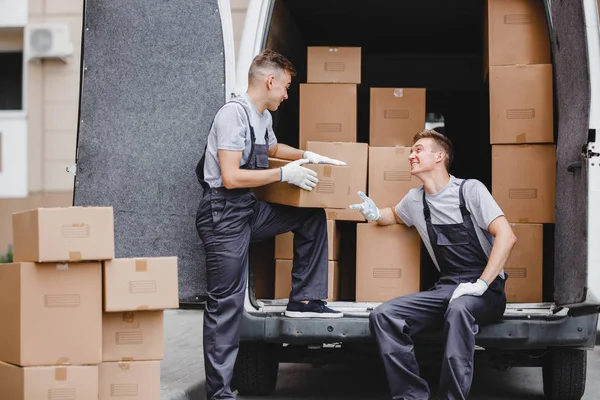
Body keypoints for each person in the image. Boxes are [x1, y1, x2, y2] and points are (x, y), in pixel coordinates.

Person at [195, 49, 344, 400]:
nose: (287, 95)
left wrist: (308, 155)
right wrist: (283, 174)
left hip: (247, 209)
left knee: (311, 216)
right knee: (226, 304)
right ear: (270, 80)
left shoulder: (261, 117)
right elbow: (230, 177)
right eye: (286, 87)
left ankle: (304, 299)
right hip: (223, 214)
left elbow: (274, 147)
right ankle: (219, 393)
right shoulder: (233, 115)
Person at [350, 129, 517, 400]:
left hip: (485, 289)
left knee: (459, 310)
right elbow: (393, 215)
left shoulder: (470, 190)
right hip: (448, 286)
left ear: (440, 157)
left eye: (418, 150)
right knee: (383, 315)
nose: (410, 155)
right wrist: (373, 213)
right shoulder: (416, 199)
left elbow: (507, 236)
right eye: (411, 151)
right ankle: (411, 395)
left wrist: (482, 284)